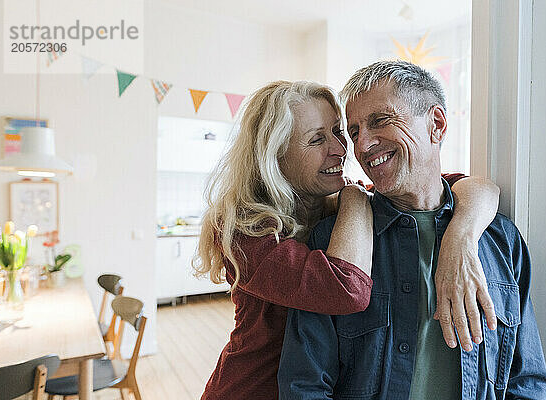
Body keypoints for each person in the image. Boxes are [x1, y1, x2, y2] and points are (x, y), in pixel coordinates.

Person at [196, 80, 500, 400]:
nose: (341, 149)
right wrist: (354, 196)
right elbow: (344, 291)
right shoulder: (245, 231)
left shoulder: (334, 211)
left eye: (339, 132)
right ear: (276, 156)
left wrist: (461, 239)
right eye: (317, 139)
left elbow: (470, 188)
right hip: (253, 390)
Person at [278, 61, 546, 400]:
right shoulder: (332, 241)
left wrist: (459, 237)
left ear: (436, 124)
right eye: (355, 132)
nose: (362, 147)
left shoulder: (501, 240)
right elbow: (304, 386)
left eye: (381, 121)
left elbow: (527, 381)